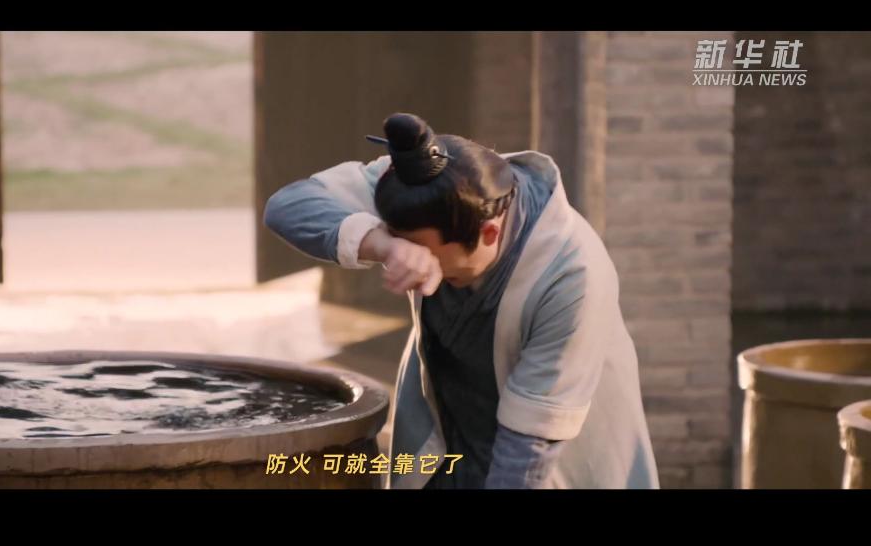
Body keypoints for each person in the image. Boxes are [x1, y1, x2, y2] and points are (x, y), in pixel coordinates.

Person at [263, 112, 659, 489]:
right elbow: (289, 205)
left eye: (432, 258)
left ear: (489, 233)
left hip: (548, 452)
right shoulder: (422, 186)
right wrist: (384, 245)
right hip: (451, 431)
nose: (421, 270)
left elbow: (529, 448)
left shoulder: (570, 277)